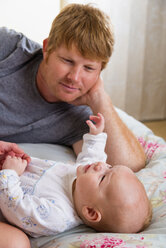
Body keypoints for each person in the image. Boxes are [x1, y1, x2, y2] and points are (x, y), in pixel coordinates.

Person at [0, 3, 146, 246]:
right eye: (67, 60)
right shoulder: (9, 49)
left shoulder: (81, 117)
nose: (74, 77)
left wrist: (101, 100)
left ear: (101, 71)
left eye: (89, 68)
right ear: (47, 48)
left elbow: (129, 165)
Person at [0, 113, 151, 238]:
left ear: (90, 212)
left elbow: (17, 208)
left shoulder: (56, 216)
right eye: (109, 167)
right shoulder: (83, 181)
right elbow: (93, 156)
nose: (101, 165)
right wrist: (96, 135)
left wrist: (10, 173)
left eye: (103, 177)